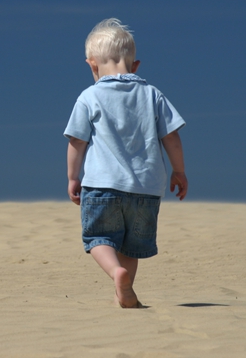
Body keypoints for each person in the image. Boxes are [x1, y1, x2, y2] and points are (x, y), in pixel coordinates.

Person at [64, 18, 188, 308]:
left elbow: (76, 142)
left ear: (91, 65)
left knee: (99, 237)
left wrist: (72, 177)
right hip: (146, 189)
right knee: (131, 245)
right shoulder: (153, 94)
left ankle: (114, 272)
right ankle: (126, 291)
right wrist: (179, 171)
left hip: (102, 186)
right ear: (136, 66)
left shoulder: (89, 96)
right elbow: (172, 138)